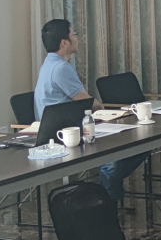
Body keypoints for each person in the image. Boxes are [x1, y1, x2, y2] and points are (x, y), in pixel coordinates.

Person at [34, 19, 144, 202]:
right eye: (74, 34)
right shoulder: (61, 68)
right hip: (66, 135)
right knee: (136, 145)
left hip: (60, 130)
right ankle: (107, 200)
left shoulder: (49, 64)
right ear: (64, 42)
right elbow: (90, 103)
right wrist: (102, 108)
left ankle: (109, 194)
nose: (77, 38)